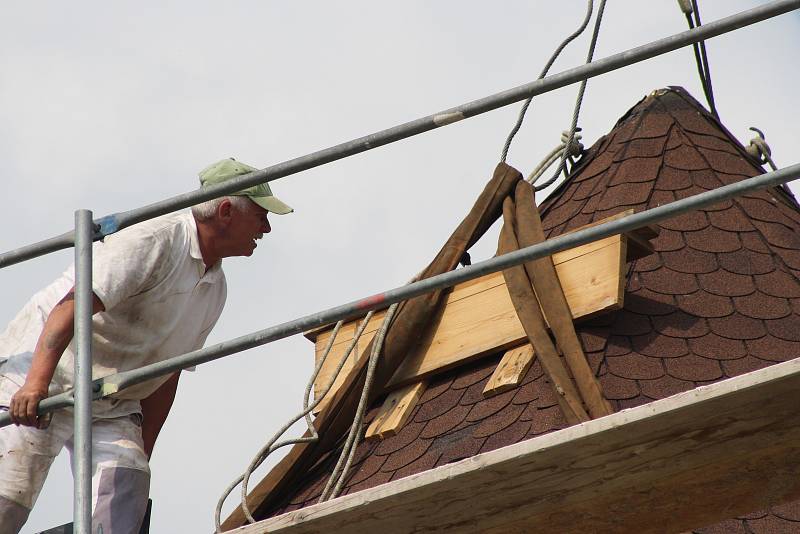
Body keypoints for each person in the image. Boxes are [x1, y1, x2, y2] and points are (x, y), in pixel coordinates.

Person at [0, 158, 292, 534]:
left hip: (112, 401)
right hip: (44, 374)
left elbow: (165, 374)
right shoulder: (154, 240)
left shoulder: (214, 289)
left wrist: (142, 450)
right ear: (224, 212)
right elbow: (70, 308)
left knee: (127, 487)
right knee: (9, 500)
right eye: (261, 216)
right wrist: (35, 386)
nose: (266, 227)